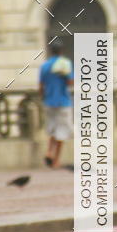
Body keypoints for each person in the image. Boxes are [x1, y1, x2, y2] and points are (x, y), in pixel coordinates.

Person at [38, 39, 74, 168]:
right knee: (62, 131)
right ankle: (56, 160)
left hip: (49, 101)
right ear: (61, 51)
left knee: (52, 129)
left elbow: (41, 86)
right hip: (63, 101)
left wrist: (43, 97)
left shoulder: (45, 66)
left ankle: (49, 152)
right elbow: (70, 82)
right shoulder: (65, 64)